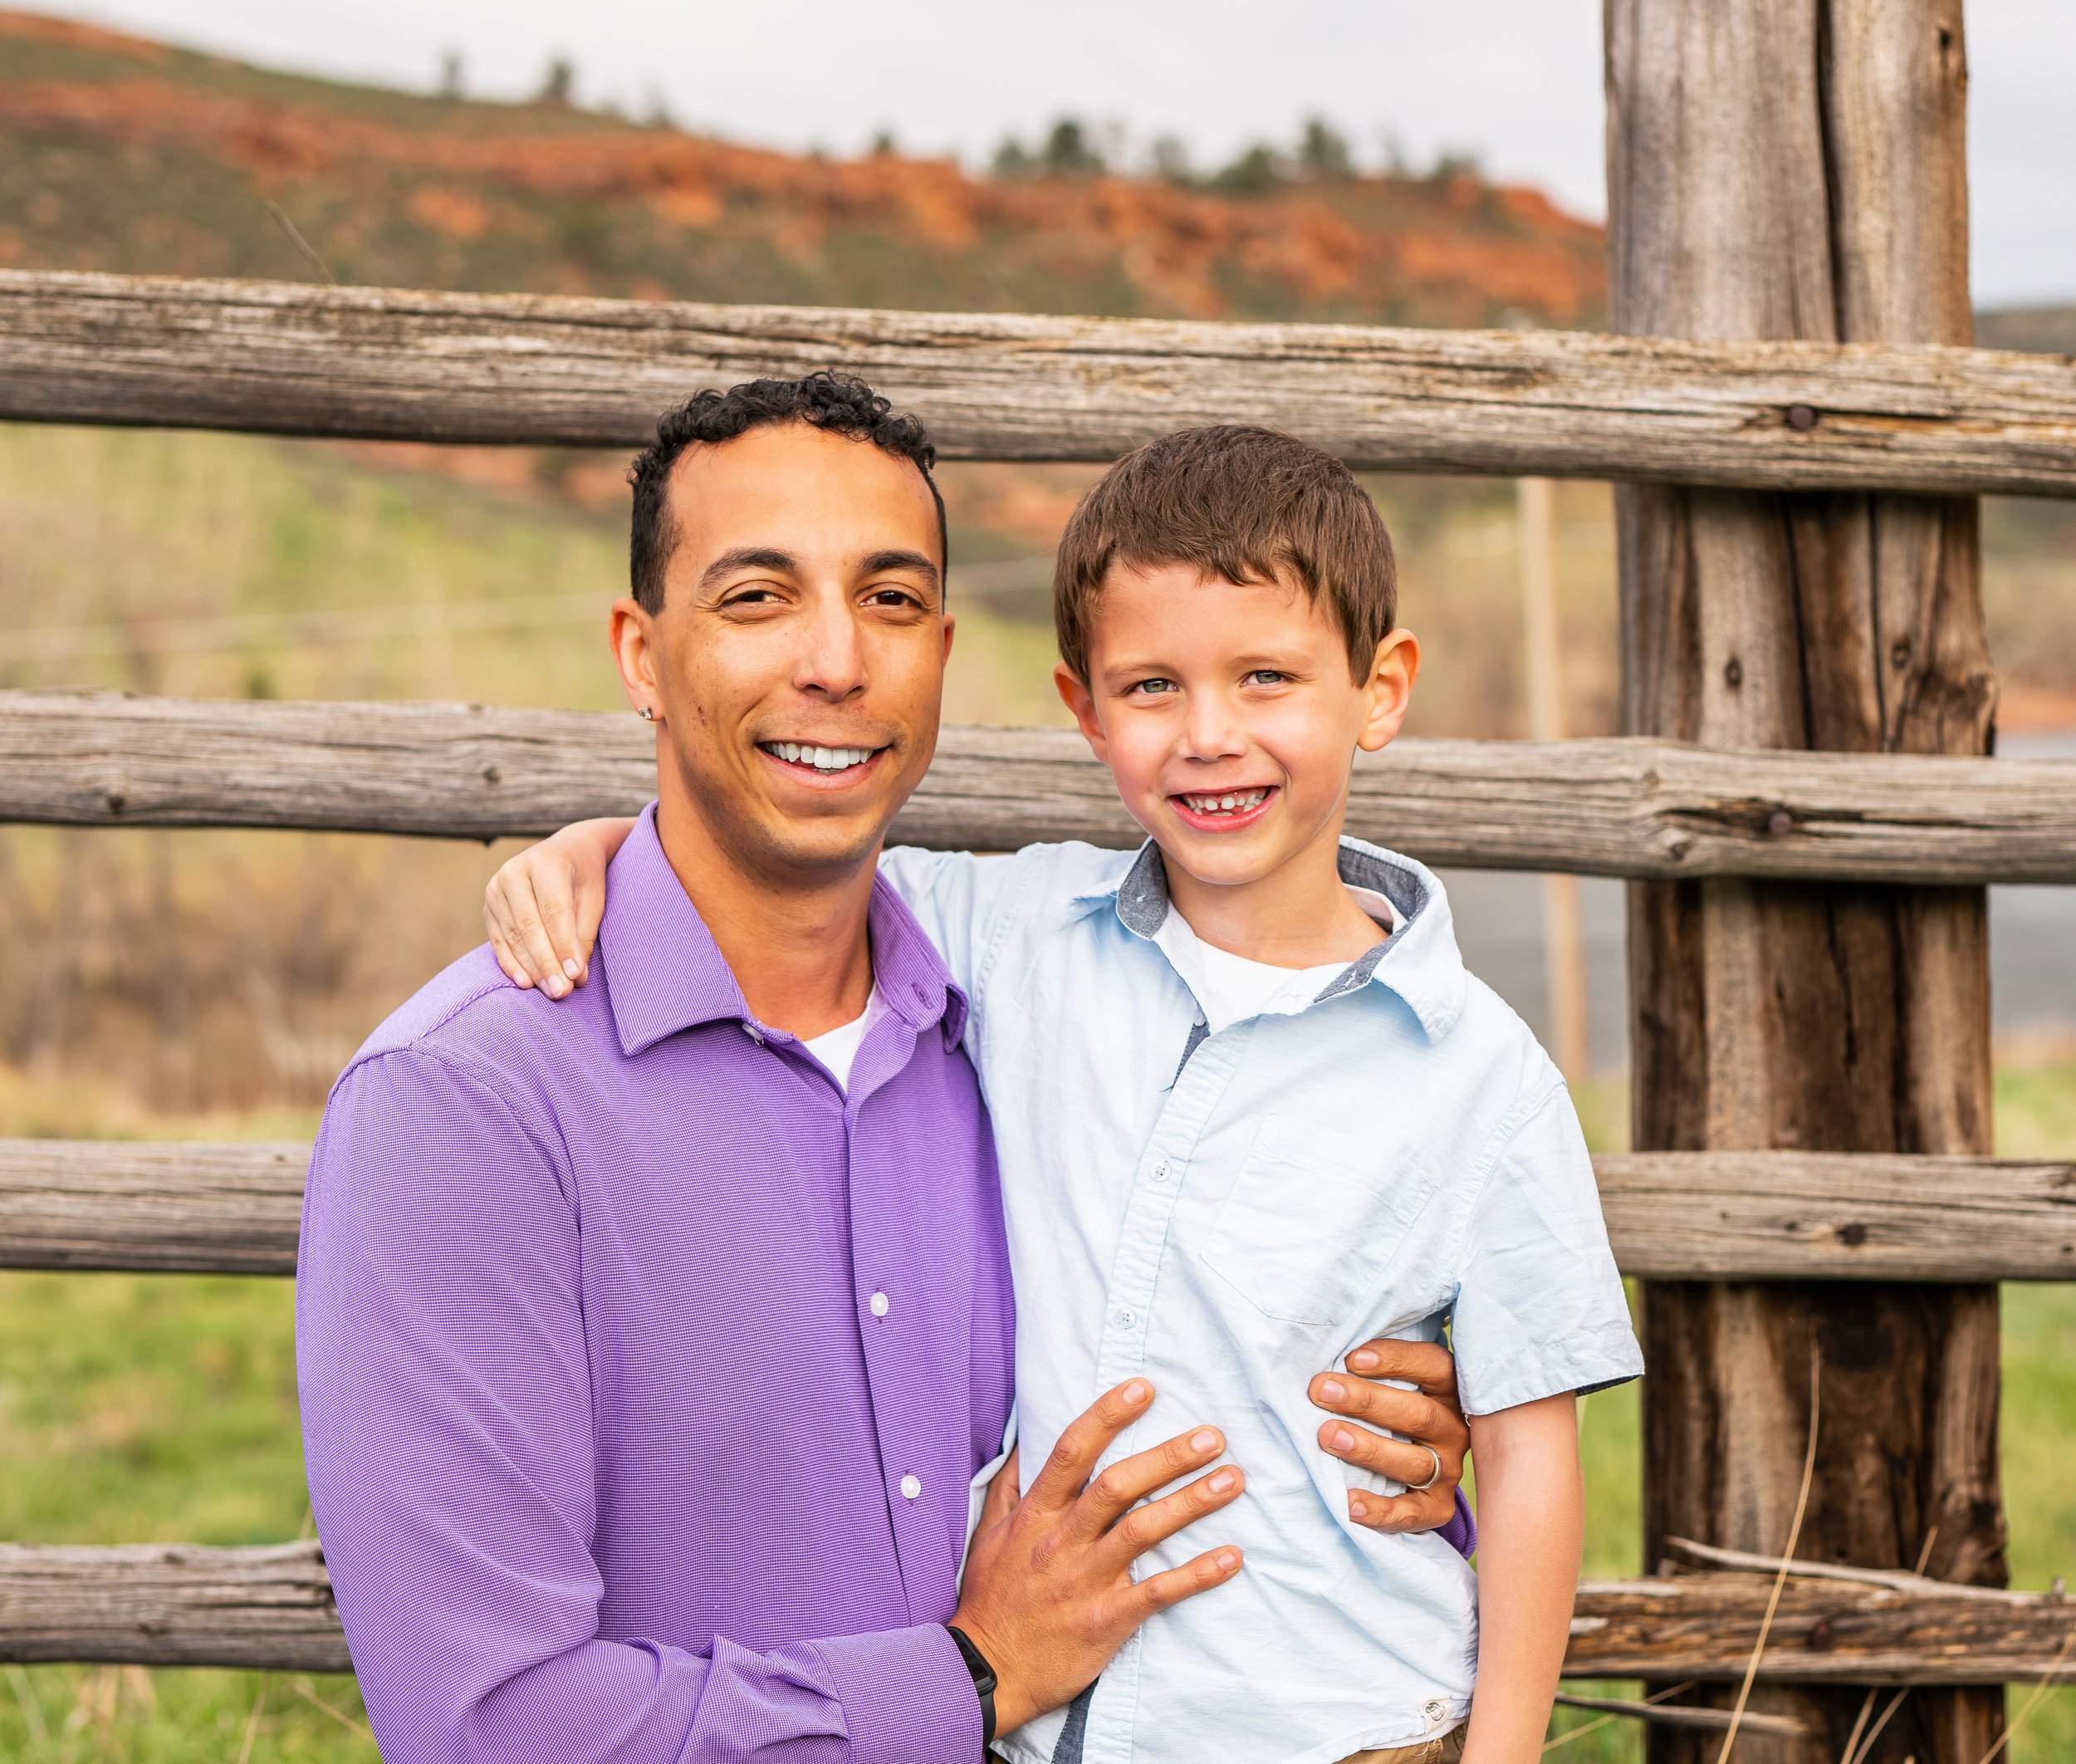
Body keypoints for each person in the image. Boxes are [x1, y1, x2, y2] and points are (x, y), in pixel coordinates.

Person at [298, 375, 1475, 1764]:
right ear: (640, 653)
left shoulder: (1025, 1025)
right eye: (756, 598)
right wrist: (967, 1681)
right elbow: (485, 1728)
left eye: (892, 598)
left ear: (942, 652)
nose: (838, 660)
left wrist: (1389, 1434)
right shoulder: (464, 1107)